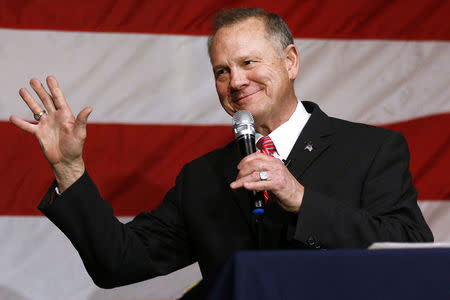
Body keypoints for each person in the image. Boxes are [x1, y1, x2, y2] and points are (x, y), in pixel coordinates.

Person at [10, 7, 433, 288]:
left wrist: (301, 199)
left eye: (249, 63)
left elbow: (412, 254)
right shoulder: (203, 177)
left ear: (290, 62)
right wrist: (69, 169)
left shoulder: (372, 148)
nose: (235, 82)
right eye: (221, 71)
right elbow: (118, 262)